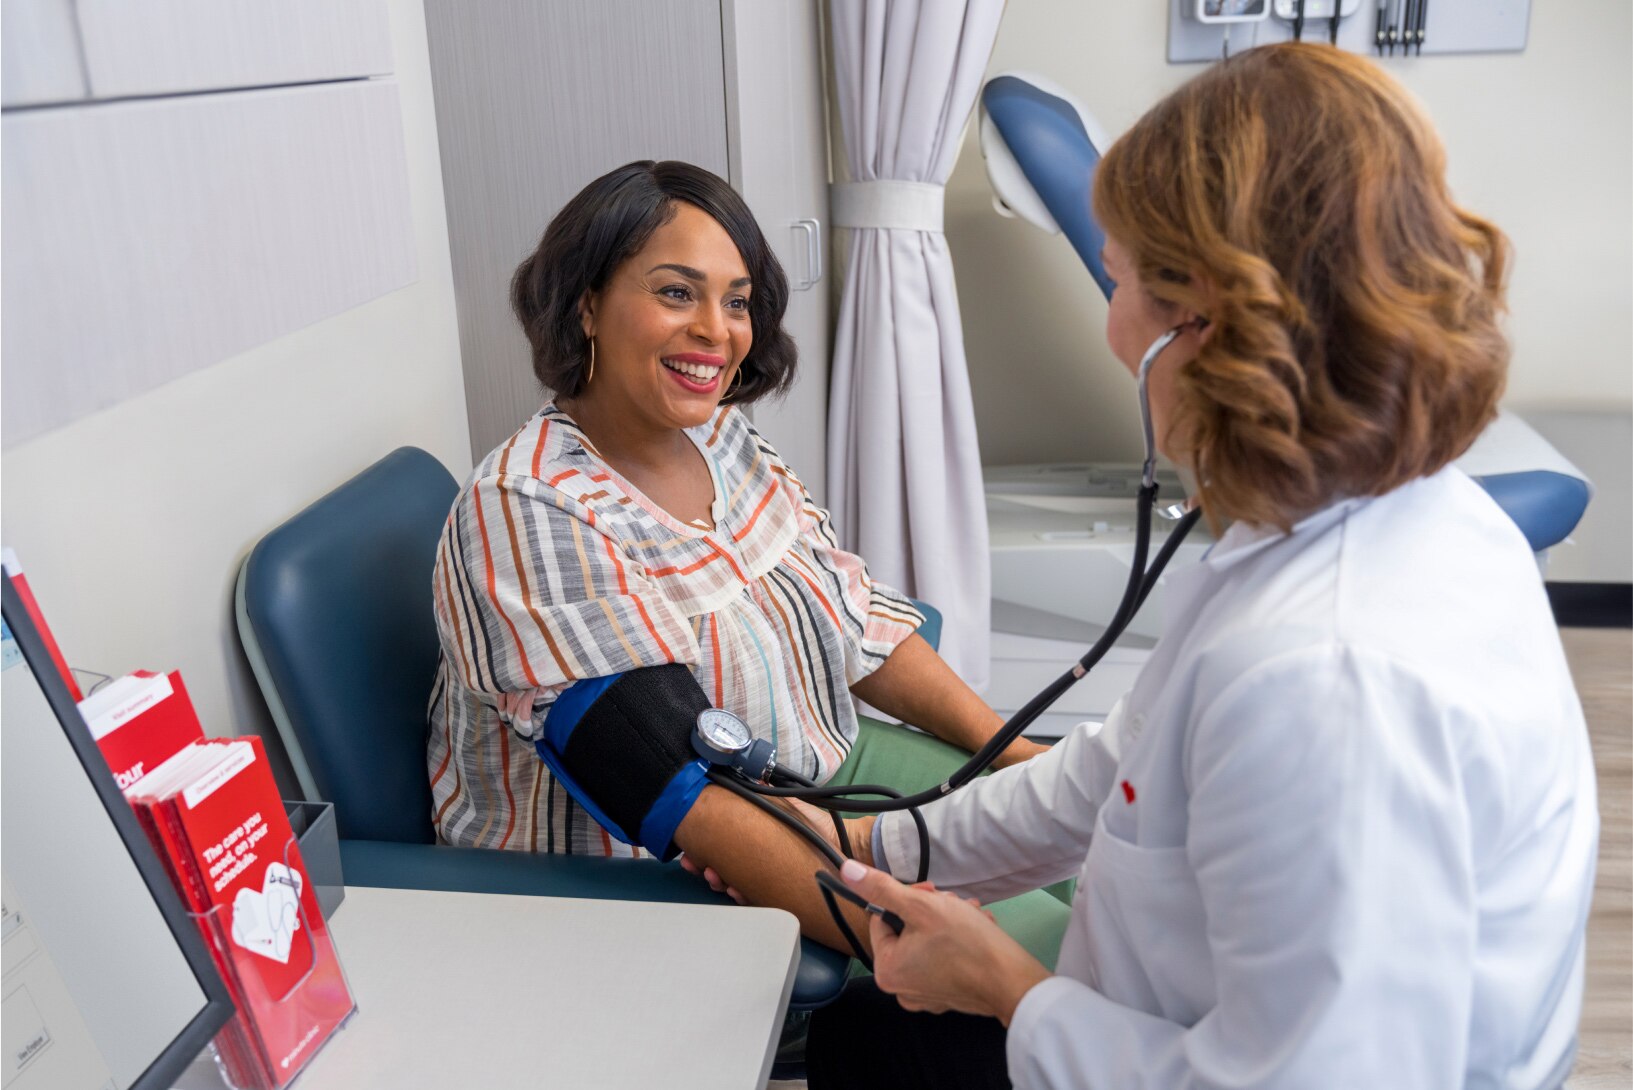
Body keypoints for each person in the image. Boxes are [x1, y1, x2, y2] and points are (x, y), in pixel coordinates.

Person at [803, 43, 1600, 1089]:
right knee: (872, 1038)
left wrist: (1009, 987)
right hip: (1178, 1017)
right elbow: (1106, 772)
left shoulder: (1324, 678)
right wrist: (875, 849)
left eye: (1119, 279)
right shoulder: (1360, 516)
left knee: (880, 1051)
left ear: (1207, 322)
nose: (1109, 323)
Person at [427, 159, 1064, 957]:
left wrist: (1019, 758)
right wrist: (905, 937)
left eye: (735, 301)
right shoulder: (531, 508)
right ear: (586, 304)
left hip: (821, 765)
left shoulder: (719, 436)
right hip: (649, 873)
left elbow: (854, 618)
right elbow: (676, 785)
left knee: (1092, 852)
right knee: (1065, 952)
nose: (716, 330)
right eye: (674, 292)